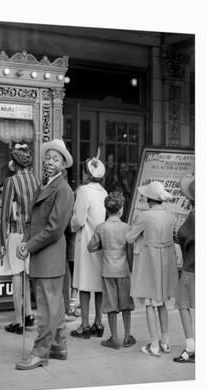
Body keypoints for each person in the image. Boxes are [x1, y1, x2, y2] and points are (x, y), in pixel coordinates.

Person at [15, 139, 74, 370]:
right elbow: (34, 219)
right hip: (43, 253)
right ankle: (59, 346)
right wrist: (24, 240)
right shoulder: (46, 185)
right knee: (54, 305)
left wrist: (29, 245)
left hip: (49, 255)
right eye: (48, 158)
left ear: (63, 165)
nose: (50, 162)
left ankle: (40, 352)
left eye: (55, 159)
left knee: (47, 308)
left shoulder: (63, 190)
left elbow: (54, 229)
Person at [126, 181, 179, 357]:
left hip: (150, 263)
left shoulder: (144, 216)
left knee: (149, 303)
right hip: (165, 263)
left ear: (149, 198)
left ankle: (154, 343)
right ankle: (166, 341)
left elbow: (130, 237)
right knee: (162, 302)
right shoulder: (170, 216)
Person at [0, 144, 40, 335]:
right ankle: (29, 313)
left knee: (16, 274)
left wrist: (1, 241)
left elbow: (5, 213)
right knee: (27, 274)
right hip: (32, 233)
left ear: (14, 164)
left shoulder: (11, 181)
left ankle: (18, 320)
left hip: (16, 232)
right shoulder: (36, 181)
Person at [87, 192, 136, 349]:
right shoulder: (127, 228)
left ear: (106, 210)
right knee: (126, 304)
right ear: (121, 209)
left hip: (108, 271)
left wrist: (104, 246)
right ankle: (127, 336)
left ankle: (114, 338)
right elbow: (130, 251)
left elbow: (91, 247)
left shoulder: (101, 228)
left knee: (111, 306)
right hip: (123, 271)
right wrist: (131, 268)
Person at [70, 150, 108, 339]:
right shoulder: (104, 192)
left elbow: (79, 219)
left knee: (84, 284)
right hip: (100, 242)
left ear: (86, 174)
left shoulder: (84, 191)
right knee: (98, 285)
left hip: (86, 241)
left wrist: (71, 223)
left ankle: (84, 325)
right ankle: (98, 322)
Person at [174, 174, 195, 363]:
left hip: (192, 266)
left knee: (183, 304)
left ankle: (191, 347)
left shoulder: (194, 214)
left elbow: (182, 235)